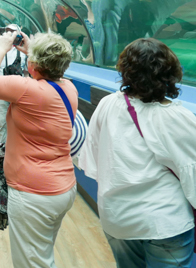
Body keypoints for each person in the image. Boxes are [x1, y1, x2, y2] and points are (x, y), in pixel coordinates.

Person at [79, 38, 196, 267]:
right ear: (170, 72)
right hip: (165, 223)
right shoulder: (176, 117)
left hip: (118, 218)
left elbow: (92, 158)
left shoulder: (108, 104)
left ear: (125, 71)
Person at [0, 31, 77, 268]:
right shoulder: (68, 87)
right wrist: (33, 52)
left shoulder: (26, 89)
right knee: (42, 256)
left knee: (32, 263)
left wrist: (2, 47)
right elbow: (46, 69)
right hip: (62, 187)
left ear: (32, 64)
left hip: (34, 193)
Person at [0, 24, 27, 143]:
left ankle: (13, 148)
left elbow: (27, 71)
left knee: (18, 121)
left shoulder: (23, 49)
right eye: (7, 31)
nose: (9, 34)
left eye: (12, 32)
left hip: (18, 90)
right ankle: (1, 151)